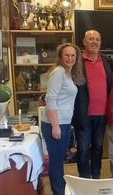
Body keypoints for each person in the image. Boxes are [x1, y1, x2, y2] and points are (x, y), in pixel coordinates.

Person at [41, 43, 82, 195]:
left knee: (59, 160)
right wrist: (55, 126)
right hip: (55, 124)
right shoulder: (58, 72)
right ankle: (58, 192)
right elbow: (50, 99)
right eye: (67, 55)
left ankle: (60, 188)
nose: (70, 58)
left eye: (73, 55)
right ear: (60, 57)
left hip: (63, 123)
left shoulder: (68, 73)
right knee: (56, 162)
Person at [72, 30, 112, 179]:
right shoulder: (77, 61)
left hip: (101, 115)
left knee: (98, 148)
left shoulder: (106, 61)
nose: (95, 42)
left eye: (97, 39)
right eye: (91, 39)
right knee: (83, 150)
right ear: (84, 41)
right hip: (83, 115)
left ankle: (96, 177)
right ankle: (84, 179)